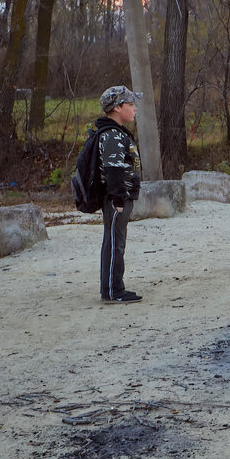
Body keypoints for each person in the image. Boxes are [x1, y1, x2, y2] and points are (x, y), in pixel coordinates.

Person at [94, 85, 143, 304]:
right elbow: (113, 170)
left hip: (120, 198)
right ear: (117, 108)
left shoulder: (116, 132)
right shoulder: (112, 135)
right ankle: (114, 291)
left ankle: (111, 289)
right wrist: (118, 200)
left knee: (114, 241)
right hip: (117, 200)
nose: (134, 110)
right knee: (115, 243)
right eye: (131, 105)